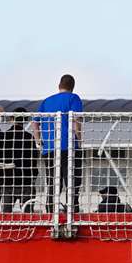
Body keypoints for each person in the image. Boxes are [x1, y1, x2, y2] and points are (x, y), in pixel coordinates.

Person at [39, 74, 84, 213]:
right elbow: (76, 120)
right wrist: (79, 139)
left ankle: (50, 208)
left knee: (52, 180)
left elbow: (35, 122)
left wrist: (39, 140)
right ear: (73, 86)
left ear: (59, 85)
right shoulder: (74, 98)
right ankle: (72, 208)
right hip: (69, 146)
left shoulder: (46, 101)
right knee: (71, 180)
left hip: (50, 148)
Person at [0, 108, 40, 212]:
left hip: (8, 180)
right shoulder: (29, 137)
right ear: (25, 120)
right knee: (28, 214)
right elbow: (34, 158)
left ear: (11, 118)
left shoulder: (4, 136)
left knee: (6, 215)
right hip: (26, 180)